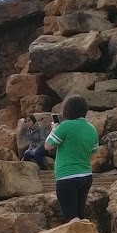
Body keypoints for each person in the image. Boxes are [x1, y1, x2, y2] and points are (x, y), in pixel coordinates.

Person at [45, 94, 99, 222]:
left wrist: (54, 129)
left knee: (71, 217)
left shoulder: (65, 126)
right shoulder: (92, 129)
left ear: (67, 110)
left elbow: (48, 145)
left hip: (67, 176)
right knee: (80, 215)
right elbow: (94, 151)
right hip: (86, 175)